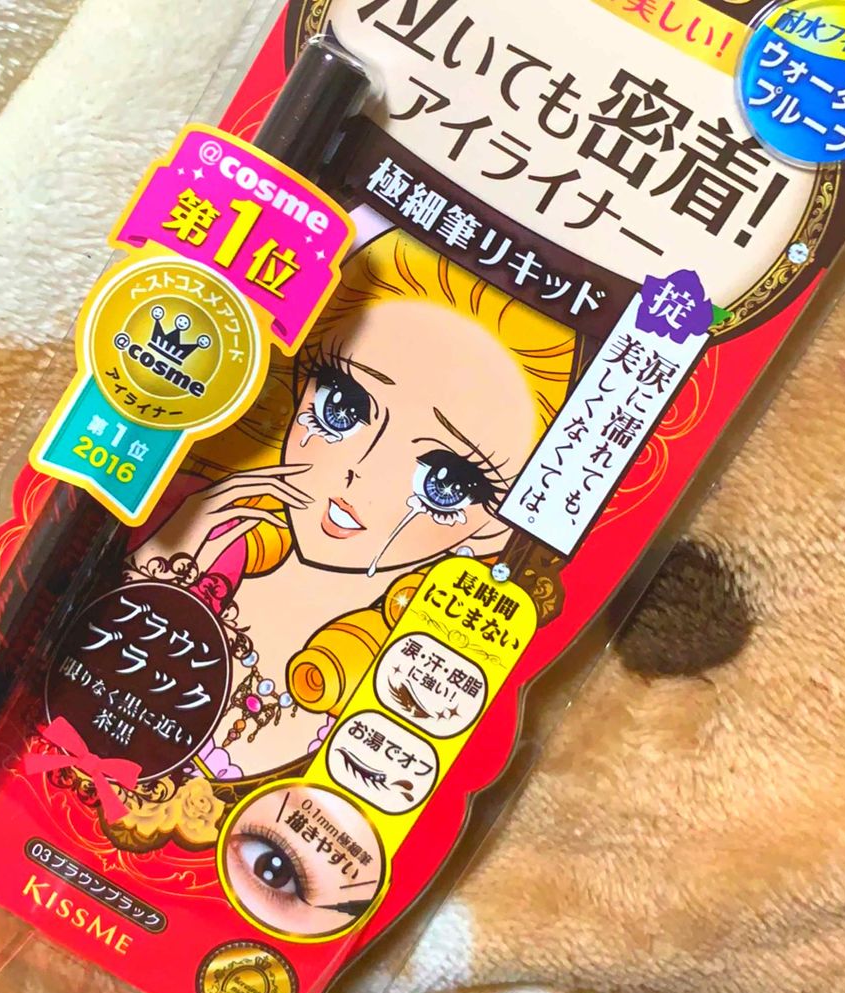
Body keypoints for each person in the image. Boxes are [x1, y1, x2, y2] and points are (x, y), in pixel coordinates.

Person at [130, 230, 579, 781]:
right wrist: (156, 559)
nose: (358, 472)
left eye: (445, 482)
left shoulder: (422, 682)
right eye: (341, 405)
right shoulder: (179, 512)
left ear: (495, 529)